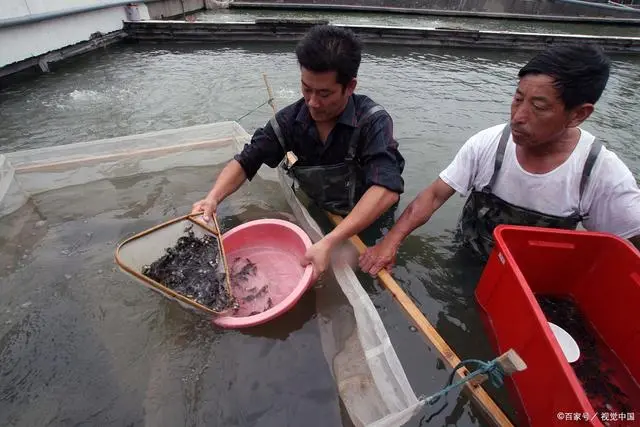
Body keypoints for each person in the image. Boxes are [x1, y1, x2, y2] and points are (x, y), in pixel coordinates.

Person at [359, 44, 640, 276]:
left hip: (534, 283)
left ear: (578, 114)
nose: (518, 117)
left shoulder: (600, 173)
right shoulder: (489, 144)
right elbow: (433, 196)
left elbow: (628, 250)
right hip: (468, 260)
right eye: (518, 99)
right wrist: (391, 242)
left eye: (538, 107)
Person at [191, 25, 405, 280]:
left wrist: (330, 241)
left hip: (365, 221)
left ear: (350, 87)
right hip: (320, 207)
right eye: (306, 89)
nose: (313, 102)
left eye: (324, 93)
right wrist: (213, 198)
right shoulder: (289, 121)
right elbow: (247, 160)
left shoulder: (372, 122)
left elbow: (387, 190)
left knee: (324, 276)